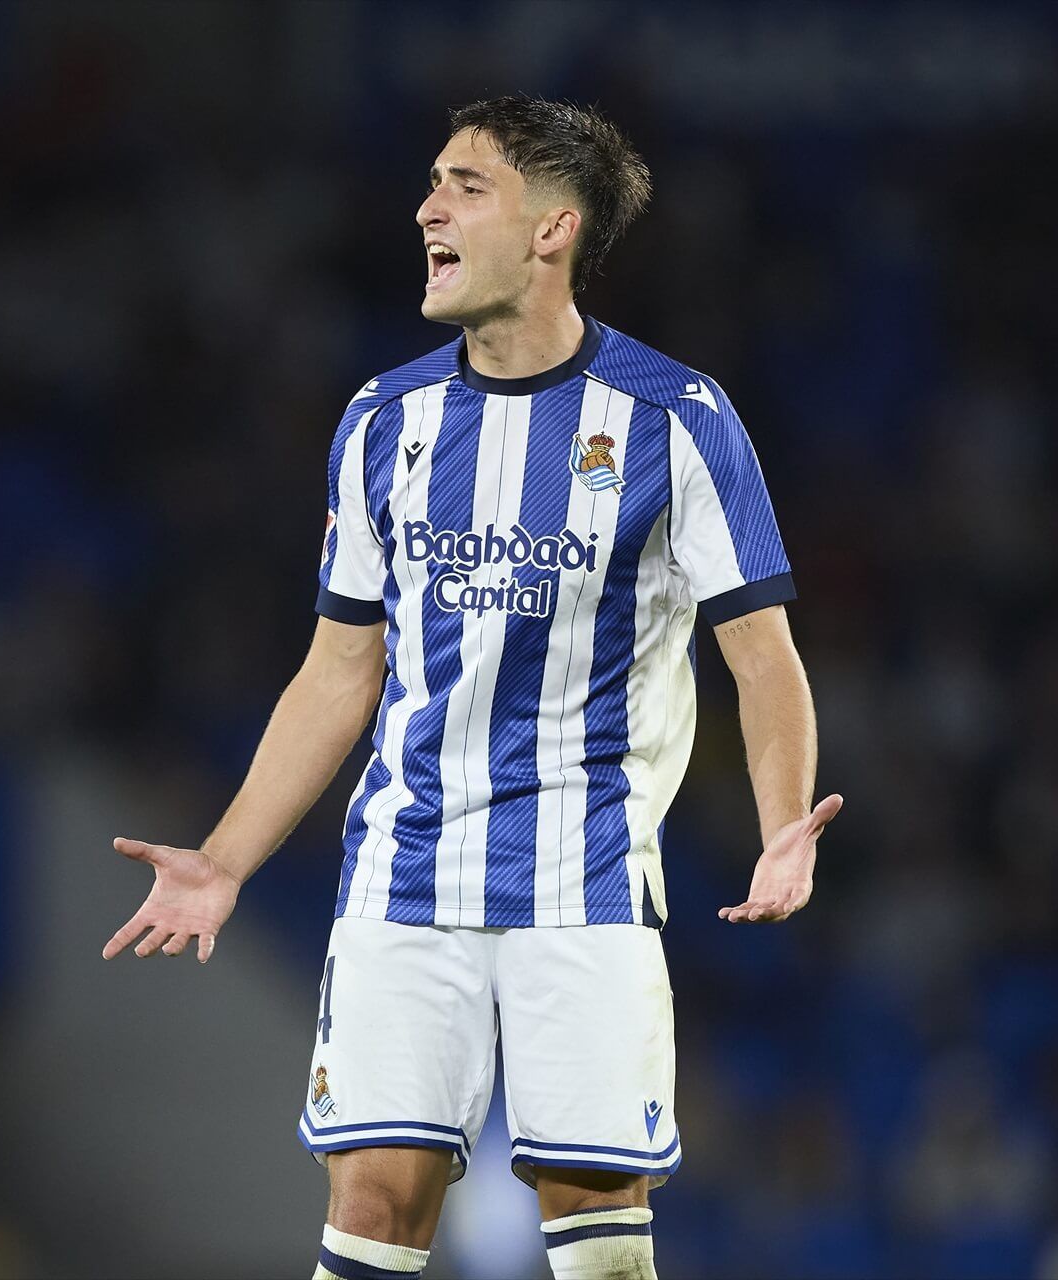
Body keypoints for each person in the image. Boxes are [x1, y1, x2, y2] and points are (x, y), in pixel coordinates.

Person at [102, 95, 840, 1280]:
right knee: (377, 1197)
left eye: (464, 185)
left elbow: (763, 655)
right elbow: (341, 667)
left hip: (585, 872)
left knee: (594, 1219)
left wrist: (780, 825)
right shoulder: (384, 419)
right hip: (407, 866)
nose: (426, 208)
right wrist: (225, 857)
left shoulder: (676, 420)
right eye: (432, 183)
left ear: (553, 228)